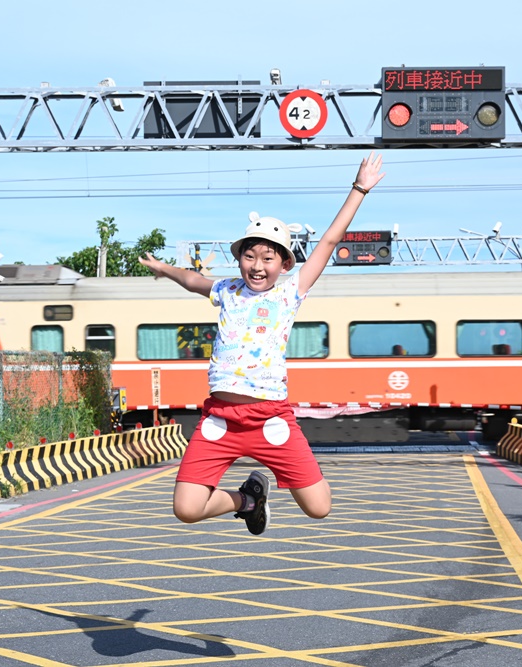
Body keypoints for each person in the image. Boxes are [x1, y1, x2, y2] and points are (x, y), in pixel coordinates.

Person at [139, 152, 385, 535]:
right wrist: (163, 269)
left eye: (267, 258)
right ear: (239, 259)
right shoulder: (226, 291)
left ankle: (257, 496)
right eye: (249, 256)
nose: (257, 265)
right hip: (219, 417)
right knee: (186, 509)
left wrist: (359, 189)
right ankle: (249, 500)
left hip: (271, 417)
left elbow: (330, 240)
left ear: (283, 264)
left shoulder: (289, 294)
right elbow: (191, 280)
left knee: (319, 508)